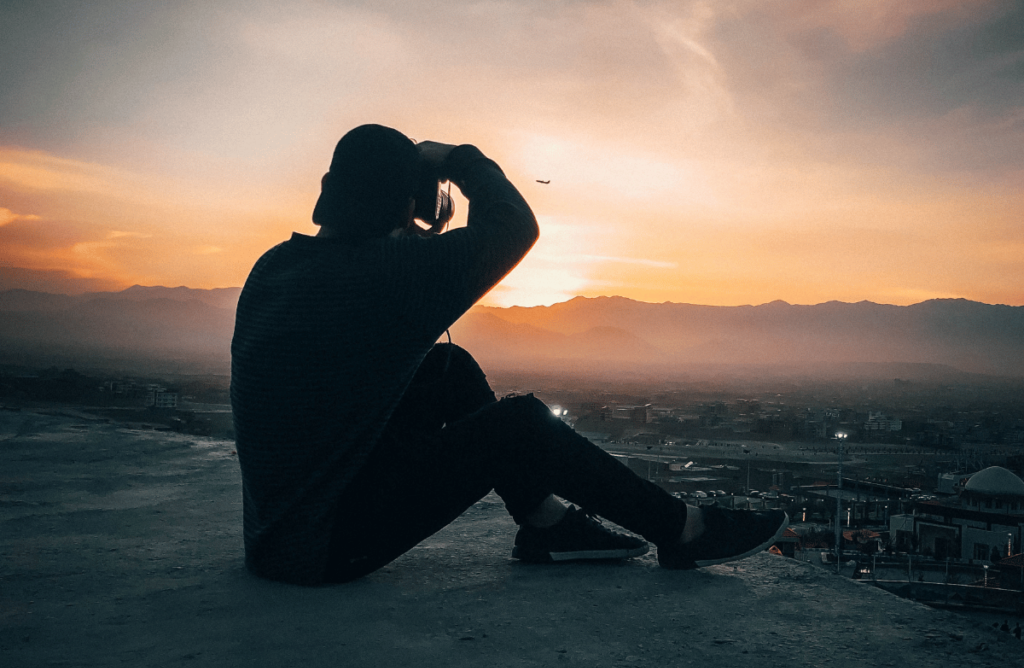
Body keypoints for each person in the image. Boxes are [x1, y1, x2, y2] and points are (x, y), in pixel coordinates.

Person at [230, 123, 787, 585]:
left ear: (328, 186)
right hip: (323, 548)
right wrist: (459, 160)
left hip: (279, 533)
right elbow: (514, 226)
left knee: (448, 370)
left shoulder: (274, 266)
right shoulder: (394, 275)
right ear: (406, 207)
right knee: (520, 424)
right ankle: (683, 530)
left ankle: (546, 525)